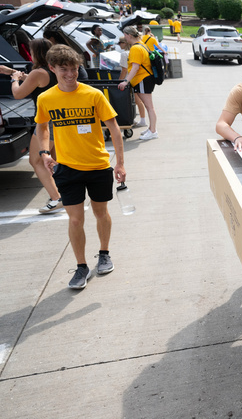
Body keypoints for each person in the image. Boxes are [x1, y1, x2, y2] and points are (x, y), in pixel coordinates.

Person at [35, 44, 126, 290]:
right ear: (52, 68)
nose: (70, 74)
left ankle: (104, 253)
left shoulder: (93, 95)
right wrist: (44, 152)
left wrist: (120, 162)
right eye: (64, 69)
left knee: (100, 213)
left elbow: (114, 128)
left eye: (74, 69)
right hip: (67, 169)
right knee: (75, 220)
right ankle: (81, 266)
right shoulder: (46, 98)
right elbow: (42, 126)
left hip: (97, 166)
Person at [0, 38, 62, 213]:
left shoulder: (38, 73)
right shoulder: (53, 70)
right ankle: (61, 192)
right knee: (55, 160)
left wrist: (14, 79)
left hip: (45, 123)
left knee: (37, 161)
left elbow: (18, 93)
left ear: (36, 53)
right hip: (58, 120)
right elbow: (34, 81)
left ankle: (57, 198)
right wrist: (11, 71)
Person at [118, 26, 158, 140]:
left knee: (149, 107)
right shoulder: (142, 45)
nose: (124, 37)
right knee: (149, 106)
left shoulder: (135, 48)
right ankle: (151, 128)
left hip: (142, 79)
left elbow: (135, 67)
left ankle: (153, 131)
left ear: (129, 35)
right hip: (145, 79)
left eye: (125, 35)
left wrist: (126, 81)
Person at [116, 35, 147, 128]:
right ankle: (143, 119)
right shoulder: (135, 50)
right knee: (138, 101)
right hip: (136, 78)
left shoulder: (124, 54)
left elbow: (124, 70)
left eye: (120, 43)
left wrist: (120, 81)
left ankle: (132, 119)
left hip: (127, 79)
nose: (119, 45)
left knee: (131, 101)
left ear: (125, 43)